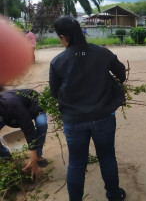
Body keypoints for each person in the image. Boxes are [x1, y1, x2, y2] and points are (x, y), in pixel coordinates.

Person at [49, 16, 127, 201]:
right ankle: (114, 195)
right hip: (103, 117)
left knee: (76, 163)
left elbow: (54, 92)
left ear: (62, 36)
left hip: (74, 121)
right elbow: (121, 73)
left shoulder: (58, 62)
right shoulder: (102, 53)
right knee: (107, 157)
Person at [0, 89, 48, 178]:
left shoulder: (10, 104)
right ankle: (5, 156)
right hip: (16, 110)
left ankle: (38, 156)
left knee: (42, 125)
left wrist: (33, 159)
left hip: (34, 103)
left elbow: (29, 129)